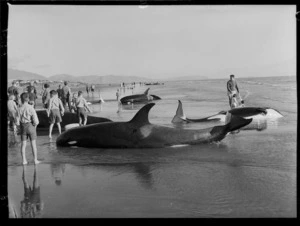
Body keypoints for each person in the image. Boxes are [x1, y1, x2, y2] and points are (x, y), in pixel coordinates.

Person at [18, 93, 40, 165]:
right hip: (30, 126)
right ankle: (35, 160)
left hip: (23, 127)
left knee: (23, 145)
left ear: (21, 99)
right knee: (33, 144)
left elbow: (17, 121)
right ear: (28, 99)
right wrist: (35, 127)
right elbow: (36, 121)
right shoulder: (31, 107)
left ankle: (24, 160)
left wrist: (19, 127)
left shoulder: (19, 108)